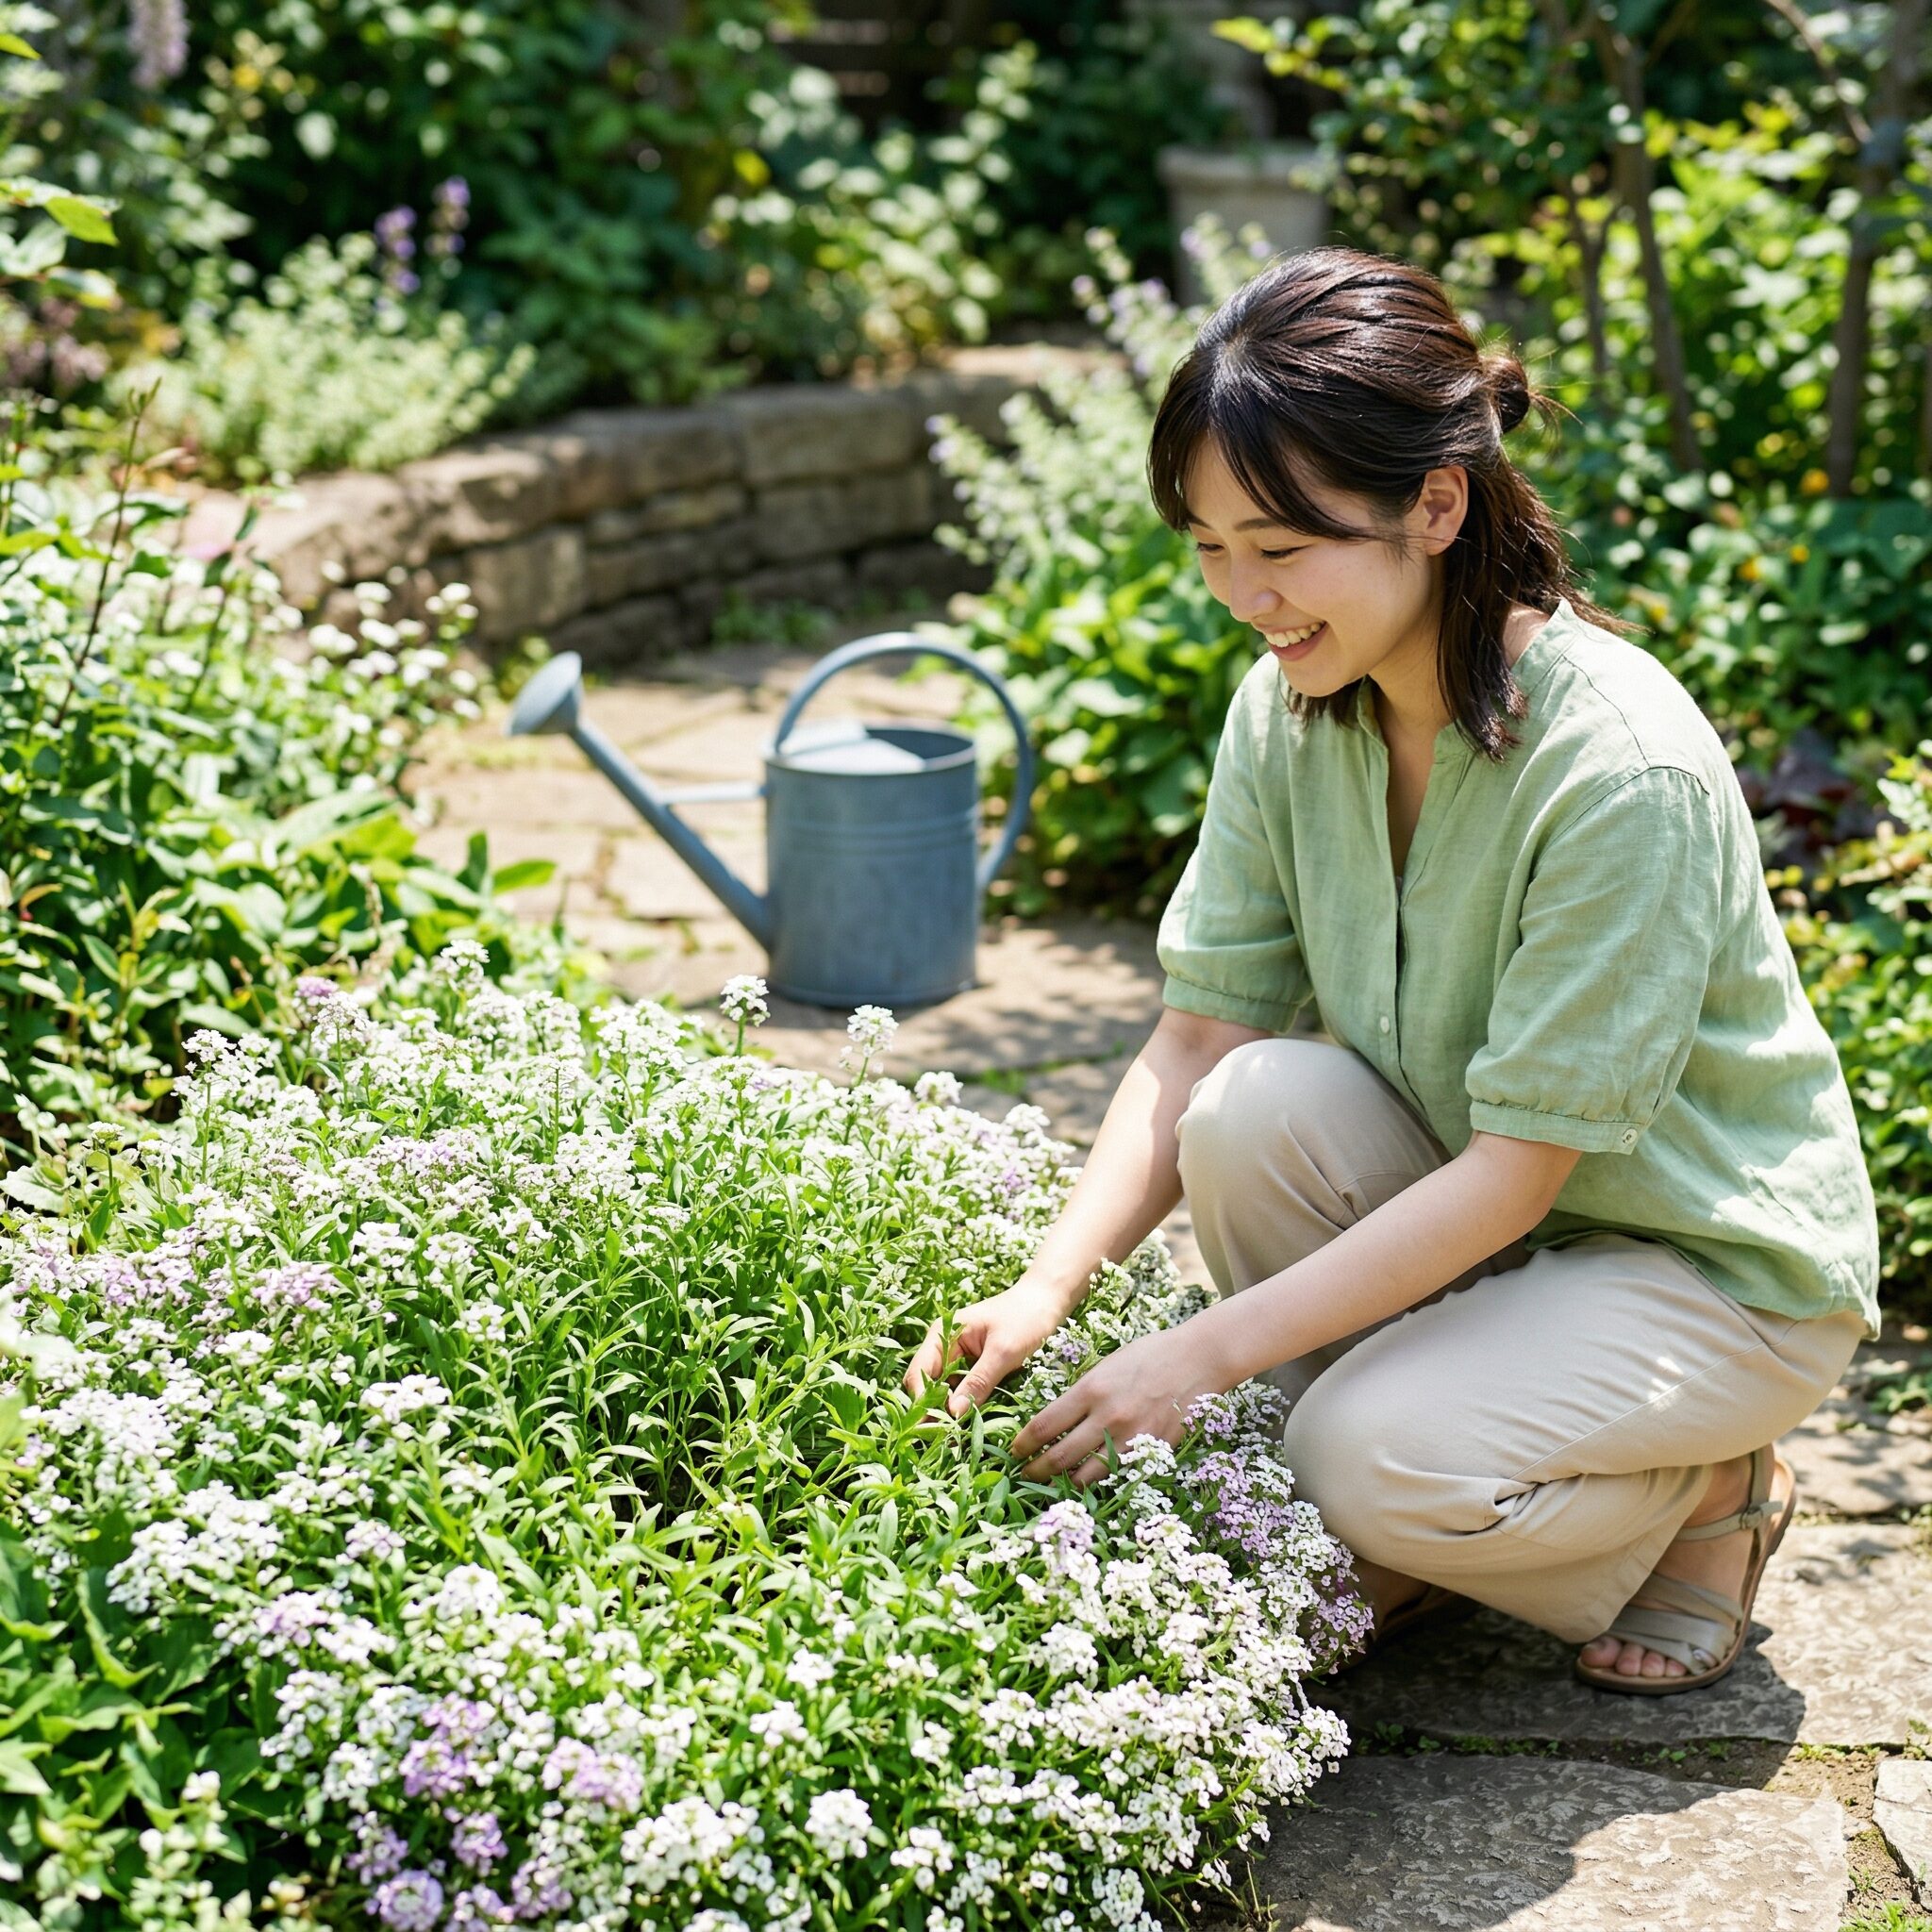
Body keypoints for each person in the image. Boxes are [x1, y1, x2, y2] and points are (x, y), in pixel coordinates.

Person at [903, 244, 1879, 1697]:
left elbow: (1515, 1173)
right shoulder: (1291, 706)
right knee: (1249, 1106)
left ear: (1437, 503)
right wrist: (1052, 1282)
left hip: (1707, 1270)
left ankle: (1704, 1496)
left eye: (1282, 548)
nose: (1243, 593)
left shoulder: (1620, 769)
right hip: (1499, 1222)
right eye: (1209, 545)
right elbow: (1191, 1047)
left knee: (1356, 1451)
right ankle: (1418, 1504)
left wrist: (1198, 1357)